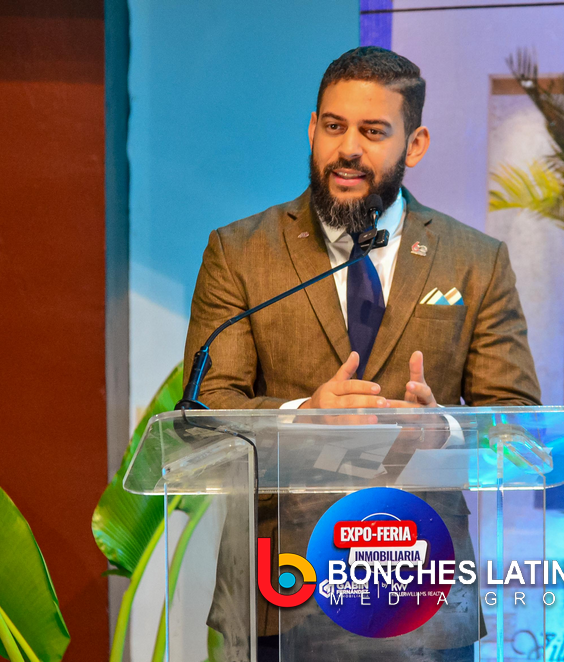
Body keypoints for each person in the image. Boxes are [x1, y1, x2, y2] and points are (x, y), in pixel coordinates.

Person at [184, 46, 540, 662]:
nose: (347, 148)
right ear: (313, 129)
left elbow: (520, 425)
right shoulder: (240, 252)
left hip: (424, 586)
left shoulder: (475, 261)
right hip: (283, 584)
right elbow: (207, 411)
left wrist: (444, 429)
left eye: (373, 132)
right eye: (334, 126)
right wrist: (302, 417)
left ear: (415, 144)